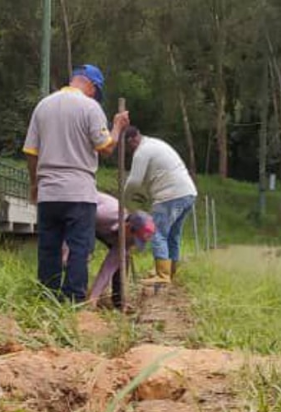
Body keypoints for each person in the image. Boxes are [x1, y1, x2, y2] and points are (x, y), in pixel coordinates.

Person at [23, 65, 129, 302]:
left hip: (49, 192)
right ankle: (73, 300)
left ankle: (48, 298)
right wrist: (118, 128)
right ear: (92, 86)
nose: (94, 97)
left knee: (49, 248)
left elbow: (31, 152)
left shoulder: (43, 106)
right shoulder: (90, 107)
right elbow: (107, 147)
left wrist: (34, 185)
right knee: (79, 248)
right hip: (79, 193)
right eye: (96, 92)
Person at [123, 126, 197, 283]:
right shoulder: (154, 144)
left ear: (132, 140)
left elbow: (135, 181)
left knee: (157, 233)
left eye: (128, 146)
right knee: (172, 234)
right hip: (187, 193)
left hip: (171, 195)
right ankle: (170, 271)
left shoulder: (142, 151)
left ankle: (162, 276)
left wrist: (123, 199)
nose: (128, 150)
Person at [86, 191, 155, 309]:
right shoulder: (105, 213)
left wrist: (93, 297)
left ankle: (118, 301)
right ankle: (72, 293)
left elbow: (108, 268)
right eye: (134, 239)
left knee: (123, 259)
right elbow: (77, 222)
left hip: (104, 230)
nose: (133, 244)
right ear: (128, 227)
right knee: (82, 251)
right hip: (80, 211)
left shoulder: (126, 241)